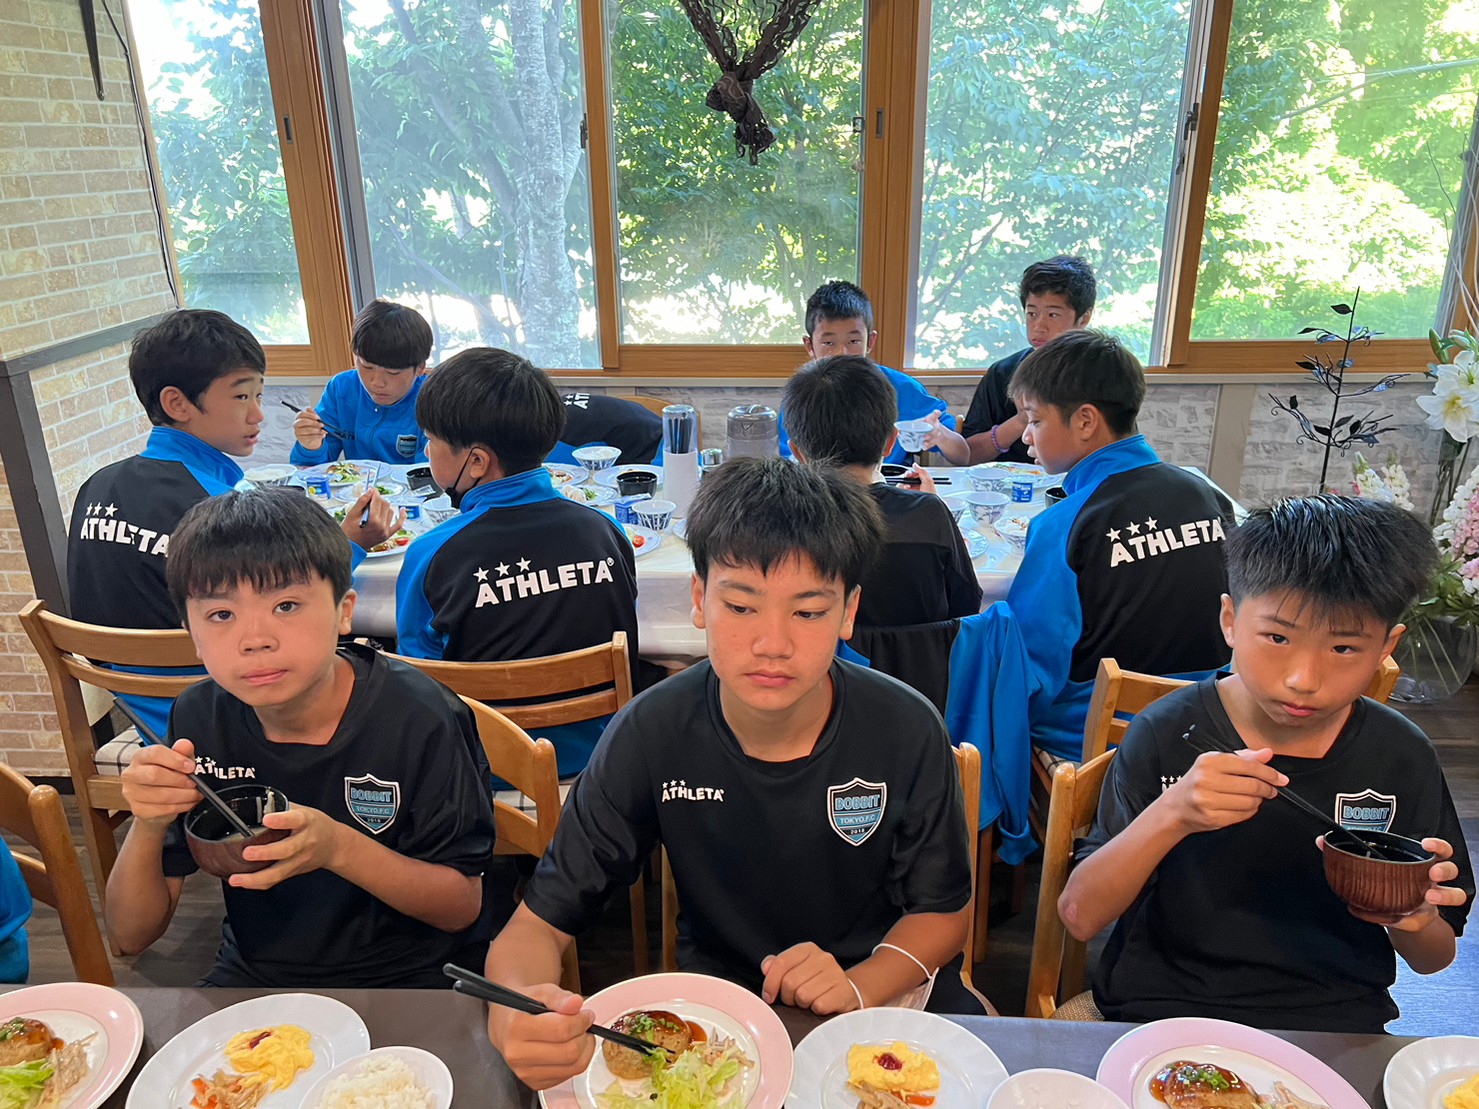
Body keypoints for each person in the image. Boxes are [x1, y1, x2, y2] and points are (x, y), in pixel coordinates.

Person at [482, 457, 977, 1091]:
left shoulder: (904, 727)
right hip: (718, 1017)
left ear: (848, 612)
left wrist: (859, 984)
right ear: (699, 599)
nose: (772, 644)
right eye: (741, 606)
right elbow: (535, 926)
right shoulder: (651, 731)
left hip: (875, 996)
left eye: (808, 612)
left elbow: (943, 913)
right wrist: (514, 1011)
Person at [1059, 495, 1473, 1033]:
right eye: (1277, 637)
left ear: (1386, 646)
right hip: (1165, 1011)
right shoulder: (1168, 731)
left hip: (1336, 1024)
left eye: (1344, 648)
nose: (1303, 679)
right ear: (1230, 620)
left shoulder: (1401, 754)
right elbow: (1080, 915)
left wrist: (1413, 917)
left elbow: (1433, 958)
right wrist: (1173, 812)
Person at [104, 488, 497, 988]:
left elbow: (460, 908)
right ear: (191, 634)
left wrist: (337, 848)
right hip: (258, 974)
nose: (255, 639)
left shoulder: (421, 717)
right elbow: (128, 936)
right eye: (221, 615)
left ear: (344, 611)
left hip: (410, 977)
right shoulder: (199, 716)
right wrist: (147, 822)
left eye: (286, 605)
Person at [66, 310, 399, 739]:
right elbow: (288, 604)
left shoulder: (96, 486)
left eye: (259, 395)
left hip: (138, 709)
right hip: (227, 718)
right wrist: (350, 543)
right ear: (177, 404)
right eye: (242, 396)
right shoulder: (220, 513)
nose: (258, 415)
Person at [395, 349, 639, 780]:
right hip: (599, 760)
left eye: (431, 440)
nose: (427, 451)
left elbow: (422, 685)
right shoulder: (607, 532)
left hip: (488, 768)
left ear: (476, 462)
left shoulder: (430, 555)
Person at [1005, 329, 1233, 760]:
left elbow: (1030, 669)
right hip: (1208, 722)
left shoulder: (1064, 525)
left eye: (1034, 420)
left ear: (1085, 421)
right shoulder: (1208, 496)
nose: (1026, 437)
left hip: (1099, 738)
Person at [782, 354, 981, 626]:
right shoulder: (928, 514)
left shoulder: (782, 519)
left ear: (796, 453)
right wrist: (924, 512)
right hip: (923, 656)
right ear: (890, 443)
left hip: (822, 655)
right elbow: (967, 606)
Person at [924, 255, 1096, 466]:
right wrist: (1021, 419)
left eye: (1052, 315)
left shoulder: (1102, 373)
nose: (1038, 326)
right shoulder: (1003, 373)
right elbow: (969, 456)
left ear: (1084, 318)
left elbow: (1115, 448)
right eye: (1032, 313)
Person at [778, 280, 955, 466]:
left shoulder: (903, 389)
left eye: (854, 341)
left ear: (870, 342)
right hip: (821, 484)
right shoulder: (802, 394)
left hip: (887, 483)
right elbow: (790, 460)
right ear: (810, 346)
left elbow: (962, 454)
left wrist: (940, 434)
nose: (842, 353)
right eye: (829, 343)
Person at [290, 299, 434, 466]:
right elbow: (311, 470)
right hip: (358, 483)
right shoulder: (341, 389)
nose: (377, 382)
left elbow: (431, 474)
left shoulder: (433, 400)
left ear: (420, 367)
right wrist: (311, 446)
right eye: (367, 366)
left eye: (392, 372)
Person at [546, 392, 663, 466]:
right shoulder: (560, 403)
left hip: (659, 451)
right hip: (659, 427)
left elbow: (559, 475)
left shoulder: (558, 433)